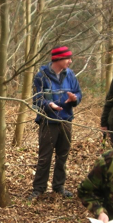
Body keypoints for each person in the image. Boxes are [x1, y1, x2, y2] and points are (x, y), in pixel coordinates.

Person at [29, 46, 82, 200]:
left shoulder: (70, 75)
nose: (70, 61)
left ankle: (59, 187)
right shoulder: (41, 76)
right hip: (48, 122)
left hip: (66, 120)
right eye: (68, 58)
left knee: (62, 156)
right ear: (58, 59)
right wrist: (48, 105)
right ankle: (39, 189)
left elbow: (78, 93)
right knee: (44, 157)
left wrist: (74, 99)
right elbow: (37, 99)